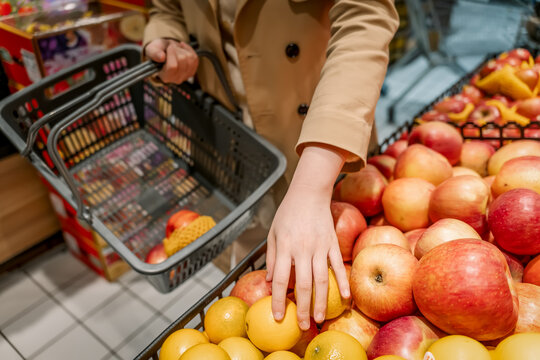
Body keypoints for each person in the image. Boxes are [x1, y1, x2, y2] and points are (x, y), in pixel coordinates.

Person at [143, 0, 399, 331]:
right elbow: (166, 8)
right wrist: (164, 37)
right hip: (227, 145)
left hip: (320, 140)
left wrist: (311, 185)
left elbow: (366, 16)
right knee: (258, 277)